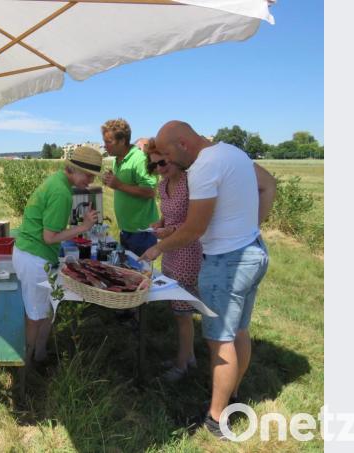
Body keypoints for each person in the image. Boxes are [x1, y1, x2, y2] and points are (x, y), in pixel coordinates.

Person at [140, 120, 276, 440]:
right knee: (238, 331)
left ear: (184, 145)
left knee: (219, 341)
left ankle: (216, 420)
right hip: (253, 252)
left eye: (169, 153)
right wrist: (249, 228)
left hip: (225, 262)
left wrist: (157, 247)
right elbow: (268, 184)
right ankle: (232, 396)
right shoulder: (233, 153)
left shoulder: (202, 168)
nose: (168, 161)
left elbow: (194, 229)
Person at [12, 146, 101, 369]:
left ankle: (39, 354)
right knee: (35, 313)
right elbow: (50, 237)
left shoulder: (58, 182)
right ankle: (27, 363)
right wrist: (84, 227)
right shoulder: (61, 193)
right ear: (74, 170)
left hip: (32, 253)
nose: (90, 182)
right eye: (88, 175)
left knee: (46, 308)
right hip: (35, 257)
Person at [143, 144, 202, 383]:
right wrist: (160, 224)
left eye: (162, 163)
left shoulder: (191, 183)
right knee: (178, 310)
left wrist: (170, 231)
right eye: (154, 165)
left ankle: (181, 365)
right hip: (170, 251)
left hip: (187, 251)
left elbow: (194, 224)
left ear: (175, 159)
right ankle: (188, 356)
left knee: (183, 313)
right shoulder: (162, 185)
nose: (158, 168)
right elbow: (168, 215)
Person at [100, 119, 159, 256]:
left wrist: (119, 185)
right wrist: (111, 181)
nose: (105, 146)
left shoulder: (140, 159)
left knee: (140, 274)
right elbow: (124, 186)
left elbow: (150, 192)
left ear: (122, 141)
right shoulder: (117, 160)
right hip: (126, 230)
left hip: (142, 232)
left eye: (109, 142)